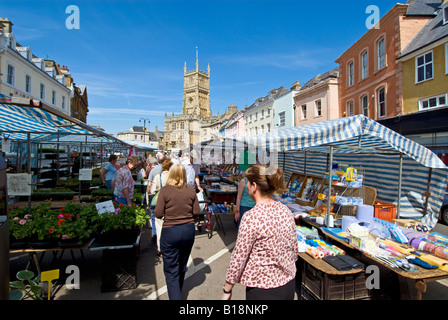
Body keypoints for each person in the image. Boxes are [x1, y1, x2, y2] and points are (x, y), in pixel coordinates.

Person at [221, 164, 298, 300]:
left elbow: (239, 256)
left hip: (262, 288)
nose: (248, 187)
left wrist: (227, 289)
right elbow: (293, 249)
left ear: (254, 186)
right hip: (287, 284)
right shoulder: (285, 210)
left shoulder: (252, 217)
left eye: (249, 184)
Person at [154, 163, 200, 300]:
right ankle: (177, 293)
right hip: (188, 230)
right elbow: (197, 212)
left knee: (171, 270)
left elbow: (157, 213)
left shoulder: (165, 190)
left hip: (170, 231)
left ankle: (176, 296)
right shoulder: (190, 190)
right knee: (182, 264)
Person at [151, 159, 173, 255]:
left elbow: (152, 191)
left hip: (160, 205)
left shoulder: (158, 177)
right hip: (171, 205)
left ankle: (160, 249)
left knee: (159, 227)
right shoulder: (173, 178)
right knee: (170, 228)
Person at [146, 153, 166, 243]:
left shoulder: (154, 171)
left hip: (156, 196)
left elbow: (149, 185)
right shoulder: (169, 170)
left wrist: (148, 196)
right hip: (167, 196)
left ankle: (155, 234)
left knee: (154, 215)